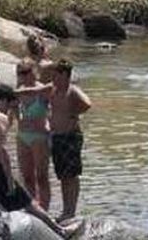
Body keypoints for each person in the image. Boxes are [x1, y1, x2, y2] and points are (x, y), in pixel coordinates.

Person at [0, 79, 72, 236]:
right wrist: (9, 179)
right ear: (2, 100)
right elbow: (1, 151)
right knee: (29, 204)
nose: (8, 110)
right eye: (8, 105)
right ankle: (59, 231)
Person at [49, 59, 92, 222]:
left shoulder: (72, 90)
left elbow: (87, 104)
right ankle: (65, 209)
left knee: (72, 175)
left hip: (70, 136)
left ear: (65, 75)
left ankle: (71, 211)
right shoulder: (54, 91)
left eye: (56, 75)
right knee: (62, 175)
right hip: (57, 137)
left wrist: (74, 113)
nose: (53, 77)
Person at [14, 59, 56, 210]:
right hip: (22, 136)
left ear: (35, 71)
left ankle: (45, 209)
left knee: (42, 177)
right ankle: (33, 207)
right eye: (20, 73)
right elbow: (14, 112)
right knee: (27, 177)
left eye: (26, 72)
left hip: (40, 137)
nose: (23, 76)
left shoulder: (42, 90)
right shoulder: (18, 90)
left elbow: (54, 105)